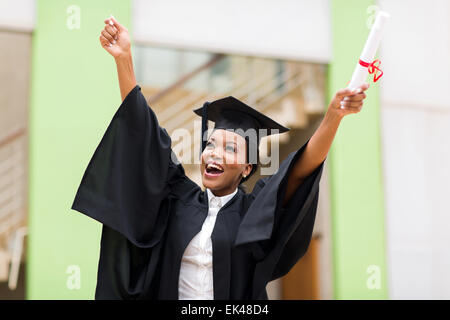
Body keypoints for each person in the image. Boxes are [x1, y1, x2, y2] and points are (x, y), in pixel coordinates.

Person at [71, 17, 369, 300]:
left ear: (247, 167)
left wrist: (333, 117)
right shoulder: (178, 200)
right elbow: (143, 131)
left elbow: (300, 171)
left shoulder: (253, 214)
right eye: (211, 144)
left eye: (230, 148)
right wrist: (124, 59)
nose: (214, 152)